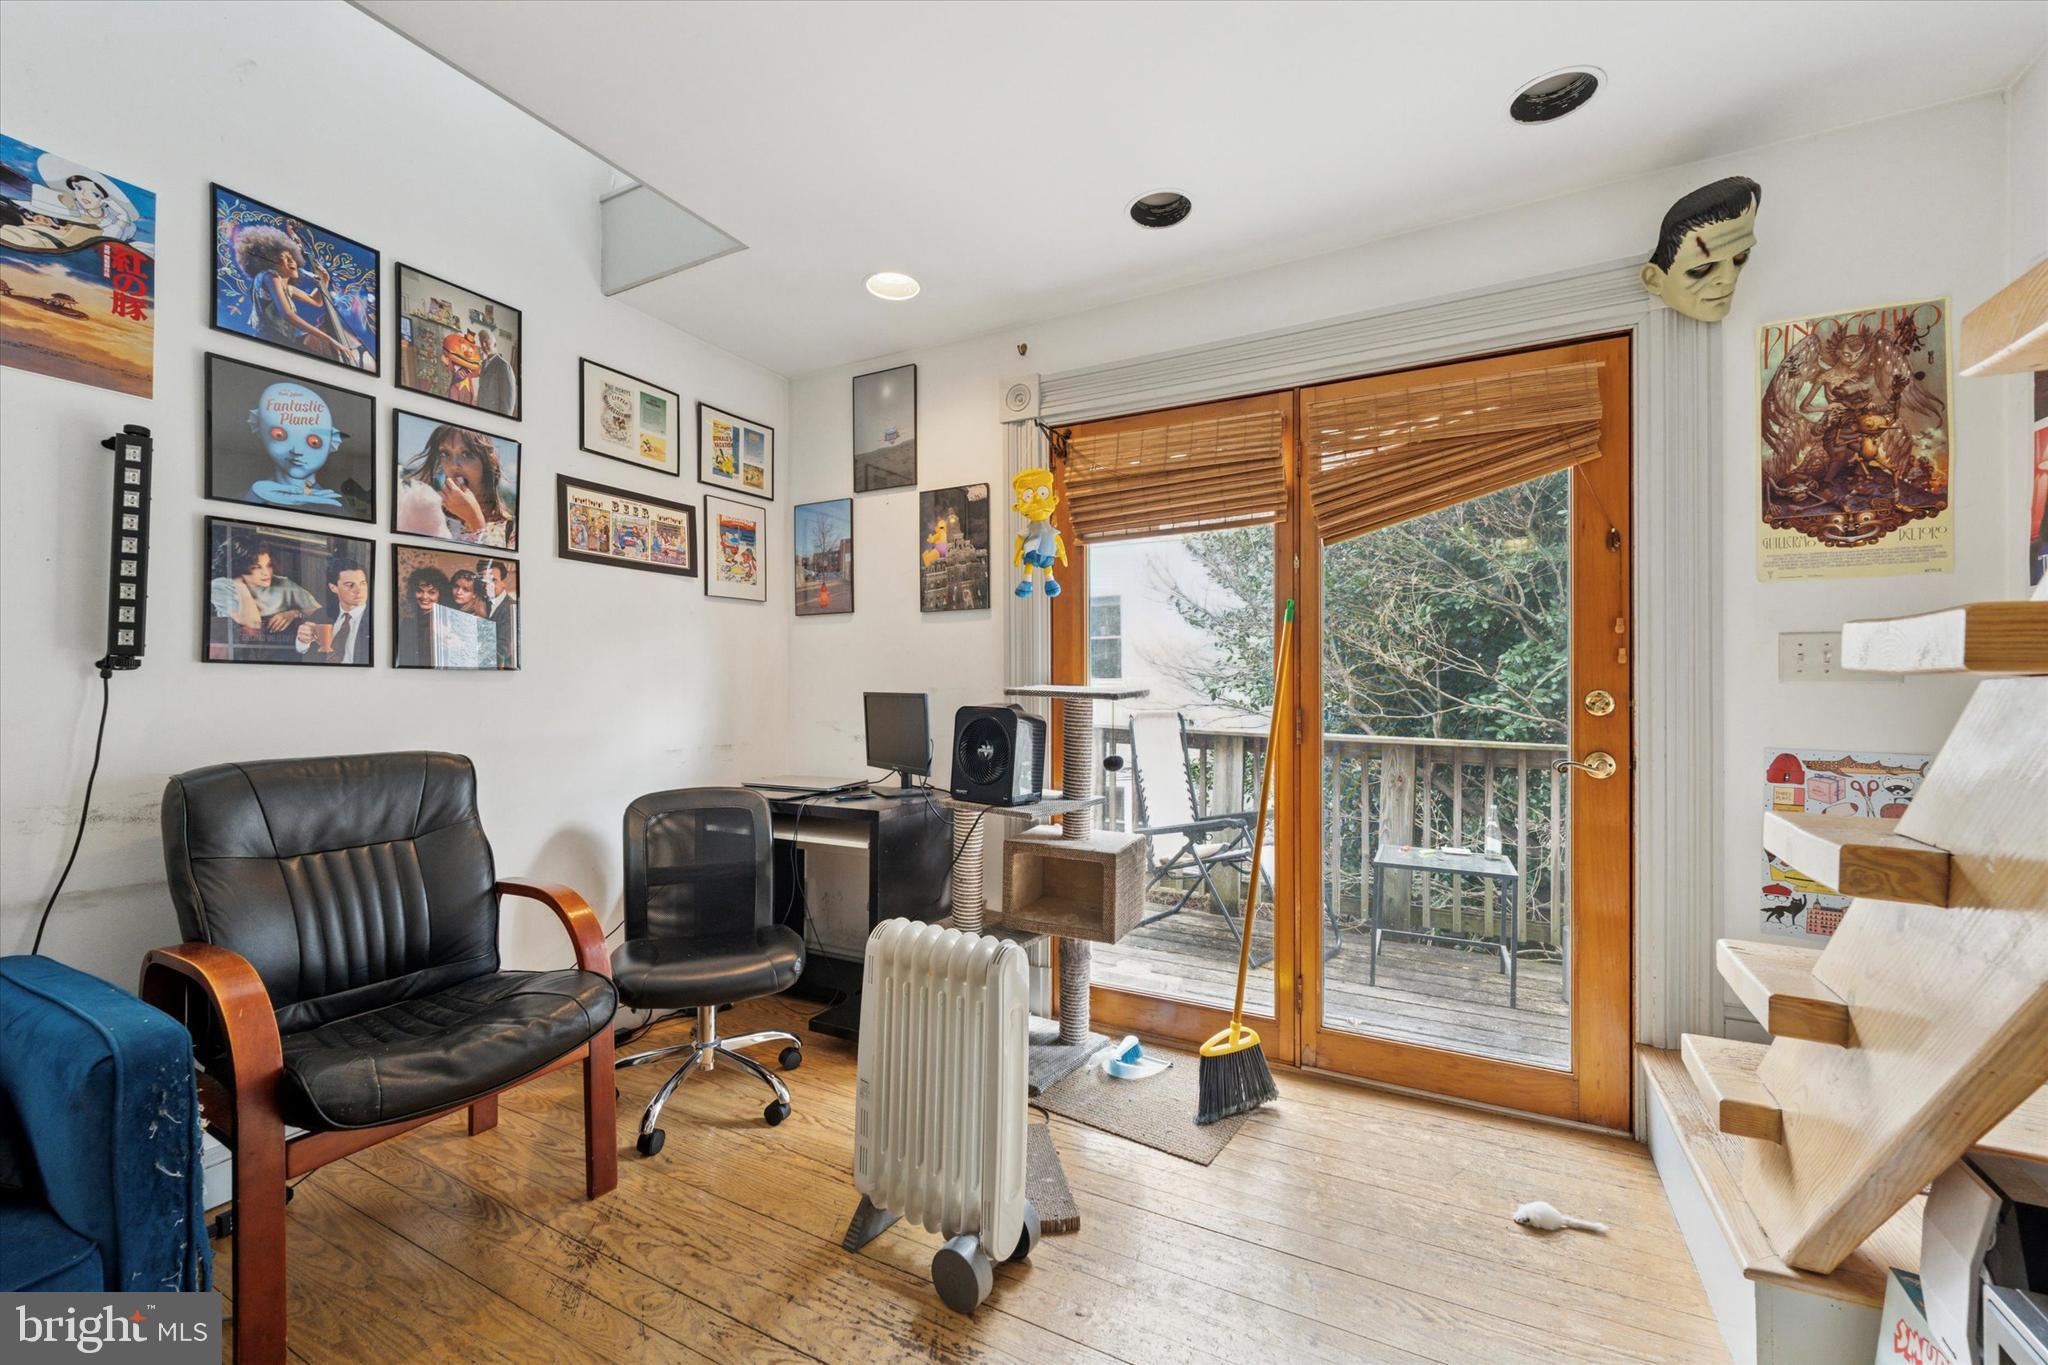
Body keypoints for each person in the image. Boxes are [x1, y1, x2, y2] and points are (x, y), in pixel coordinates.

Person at [231, 224, 359, 364]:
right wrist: (328, 339)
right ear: (269, 260)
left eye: (291, 256)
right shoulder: (269, 276)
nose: (291, 261)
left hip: (286, 339)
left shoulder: (287, 288)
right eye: (283, 257)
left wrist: (324, 281)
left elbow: (316, 301)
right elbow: (288, 314)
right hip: (272, 339)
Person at [394, 422, 515, 547]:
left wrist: (475, 520)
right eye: (445, 454)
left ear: (488, 463)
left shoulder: (511, 530)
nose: (453, 465)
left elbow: (491, 560)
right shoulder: (429, 514)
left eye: (466, 454)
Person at [210, 541, 321, 638]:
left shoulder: (283, 584)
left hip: (279, 647)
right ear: (238, 567)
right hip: (237, 648)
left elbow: (317, 610)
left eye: (269, 565)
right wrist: (241, 586)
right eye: (256, 567)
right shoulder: (220, 586)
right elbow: (253, 624)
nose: (266, 573)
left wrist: (293, 613)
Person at [294, 558, 371, 664]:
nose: (359, 590)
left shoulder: (377, 619)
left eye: (363, 583)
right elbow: (302, 656)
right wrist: (302, 642)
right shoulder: (321, 615)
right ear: (333, 587)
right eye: (350, 585)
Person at [398, 565, 452, 666]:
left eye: (431, 592)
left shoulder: (446, 623)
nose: (424, 596)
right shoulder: (407, 623)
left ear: (441, 594)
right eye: (419, 591)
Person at [479, 558, 518, 669]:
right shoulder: (482, 603)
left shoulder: (511, 607)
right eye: (484, 581)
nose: (487, 585)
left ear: (503, 583)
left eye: (493, 580)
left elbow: (503, 650)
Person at [476, 329, 517, 417]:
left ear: (494, 343)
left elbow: (508, 404)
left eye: (486, 341)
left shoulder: (504, 366)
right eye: (481, 342)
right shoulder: (483, 364)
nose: (483, 345)